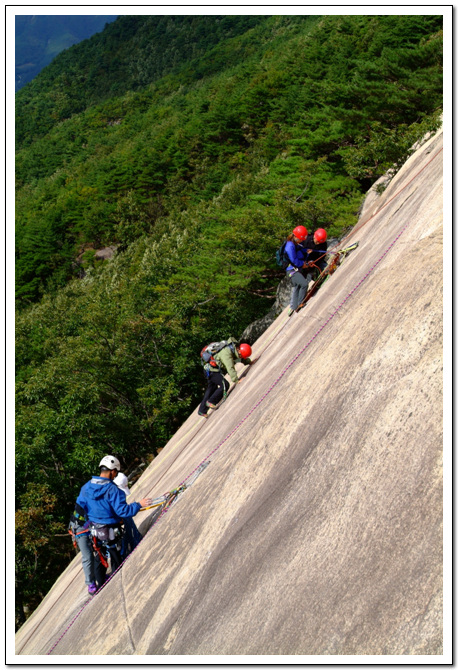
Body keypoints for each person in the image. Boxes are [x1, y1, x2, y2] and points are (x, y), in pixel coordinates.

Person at [75, 455, 151, 594]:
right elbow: (123, 511)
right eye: (116, 472)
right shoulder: (112, 489)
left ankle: (99, 585)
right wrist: (138, 505)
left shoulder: (86, 488)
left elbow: (81, 508)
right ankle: (114, 586)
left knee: (100, 555)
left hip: (95, 530)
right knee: (116, 558)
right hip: (111, 530)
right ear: (112, 471)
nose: (115, 475)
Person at [198, 339, 252, 418]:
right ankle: (211, 401)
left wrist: (248, 362)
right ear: (239, 351)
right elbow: (230, 367)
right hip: (212, 371)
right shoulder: (226, 354)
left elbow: (238, 358)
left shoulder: (231, 348)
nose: (241, 356)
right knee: (225, 385)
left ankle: (202, 410)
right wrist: (236, 380)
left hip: (208, 370)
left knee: (211, 388)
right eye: (241, 355)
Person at [113, 472, 143, 559]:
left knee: (127, 518)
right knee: (127, 518)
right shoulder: (115, 495)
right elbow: (124, 511)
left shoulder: (114, 493)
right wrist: (138, 505)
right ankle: (133, 543)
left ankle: (134, 540)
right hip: (111, 524)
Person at [284, 225, 313, 315]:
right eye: (301, 239)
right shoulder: (290, 246)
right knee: (304, 284)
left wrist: (306, 251)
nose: (301, 241)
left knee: (297, 286)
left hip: (295, 269)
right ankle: (300, 303)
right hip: (291, 270)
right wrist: (303, 264)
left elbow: (300, 249)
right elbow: (293, 260)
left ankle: (294, 306)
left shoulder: (294, 243)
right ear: (296, 237)